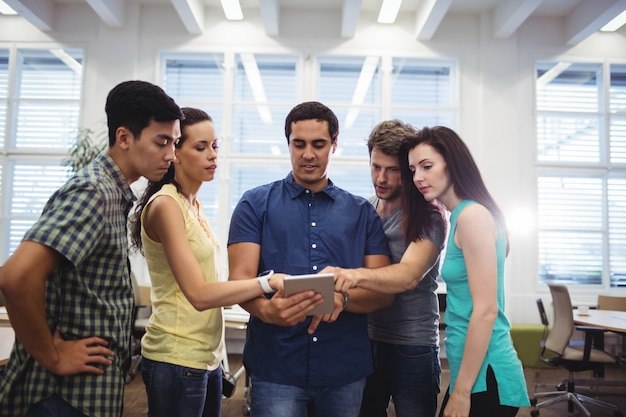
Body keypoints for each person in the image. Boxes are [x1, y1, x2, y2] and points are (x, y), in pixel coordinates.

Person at [0, 80, 184, 417]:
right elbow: (16, 277)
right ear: (124, 137)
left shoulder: (113, 193)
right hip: (64, 396)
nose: (171, 155)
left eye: (174, 142)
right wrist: (53, 355)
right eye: (162, 142)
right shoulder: (94, 192)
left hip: (87, 392)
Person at [333, 126, 530, 417]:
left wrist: (461, 393)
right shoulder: (464, 214)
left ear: (453, 163)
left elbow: (486, 311)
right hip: (469, 367)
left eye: (426, 167)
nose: (418, 178)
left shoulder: (470, 216)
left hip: (486, 369)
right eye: (413, 169)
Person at [227, 101, 393, 417]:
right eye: (298, 144)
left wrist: (342, 300)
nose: (308, 154)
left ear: (334, 145)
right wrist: (266, 310)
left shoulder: (362, 213)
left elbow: (383, 292)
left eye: (319, 144)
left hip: (344, 367)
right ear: (287, 143)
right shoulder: (254, 204)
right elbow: (239, 281)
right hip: (276, 364)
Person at [128, 107, 286, 417]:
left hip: (205, 357)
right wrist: (266, 282)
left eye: (215, 146)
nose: (212, 155)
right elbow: (199, 295)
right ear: (175, 153)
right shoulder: (166, 205)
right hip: (176, 356)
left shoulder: (192, 205)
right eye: (200, 147)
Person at [359, 120, 446, 417]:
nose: (381, 178)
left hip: (412, 346)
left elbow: (408, 276)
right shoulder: (365, 209)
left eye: (392, 169)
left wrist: (349, 275)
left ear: (408, 172)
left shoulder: (429, 215)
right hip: (366, 339)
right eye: (375, 167)